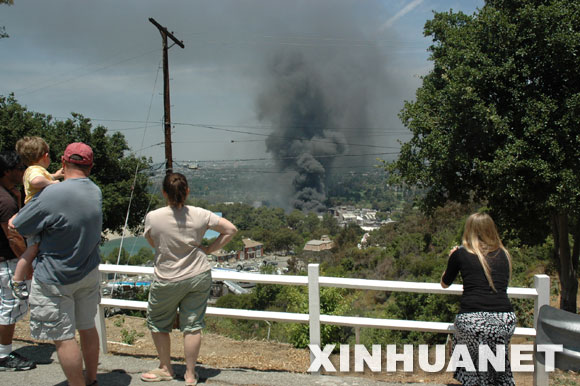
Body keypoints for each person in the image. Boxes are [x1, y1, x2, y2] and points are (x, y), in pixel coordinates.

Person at [11, 142, 101, 386]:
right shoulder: (94, 190)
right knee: (87, 327)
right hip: (89, 271)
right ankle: (91, 378)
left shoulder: (52, 193)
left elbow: (20, 225)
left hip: (56, 276)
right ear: (90, 166)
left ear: (63, 162)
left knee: (63, 337)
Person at [141, 172, 237, 385]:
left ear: (164, 192)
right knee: (192, 326)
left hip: (167, 277)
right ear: (187, 192)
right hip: (198, 275)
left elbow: (151, 240)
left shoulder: (153, 217)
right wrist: (209, 249)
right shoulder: (201, 214)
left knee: (158, 323)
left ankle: (166, 368)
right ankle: (190, 374)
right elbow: (230, 229)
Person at [440, 212, 515, 386]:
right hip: (504, 319)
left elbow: (445, 283)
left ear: (469, 231)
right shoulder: (504, 254)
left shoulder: (460, 254)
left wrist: (452, 258)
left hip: (472, 319)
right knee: (496, 364)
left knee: (471, 364)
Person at [10, 136, 64, 299]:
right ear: (45, 156)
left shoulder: (33, 169)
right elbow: (36, 181)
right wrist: (52, 183)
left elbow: (41, 178)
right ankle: (18, 280)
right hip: (36, 214)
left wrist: (55, 175)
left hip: (35, 213)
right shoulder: (35, 172)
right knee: (32, 249)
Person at [0, 151, 36, 371]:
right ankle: (4, 355)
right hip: (8, 262)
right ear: (7, 171)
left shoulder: (7, 195)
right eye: (19, 169)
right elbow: (13, 237)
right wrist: (26, 262)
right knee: (9, 307)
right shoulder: (5, 202)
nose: (23, 173)